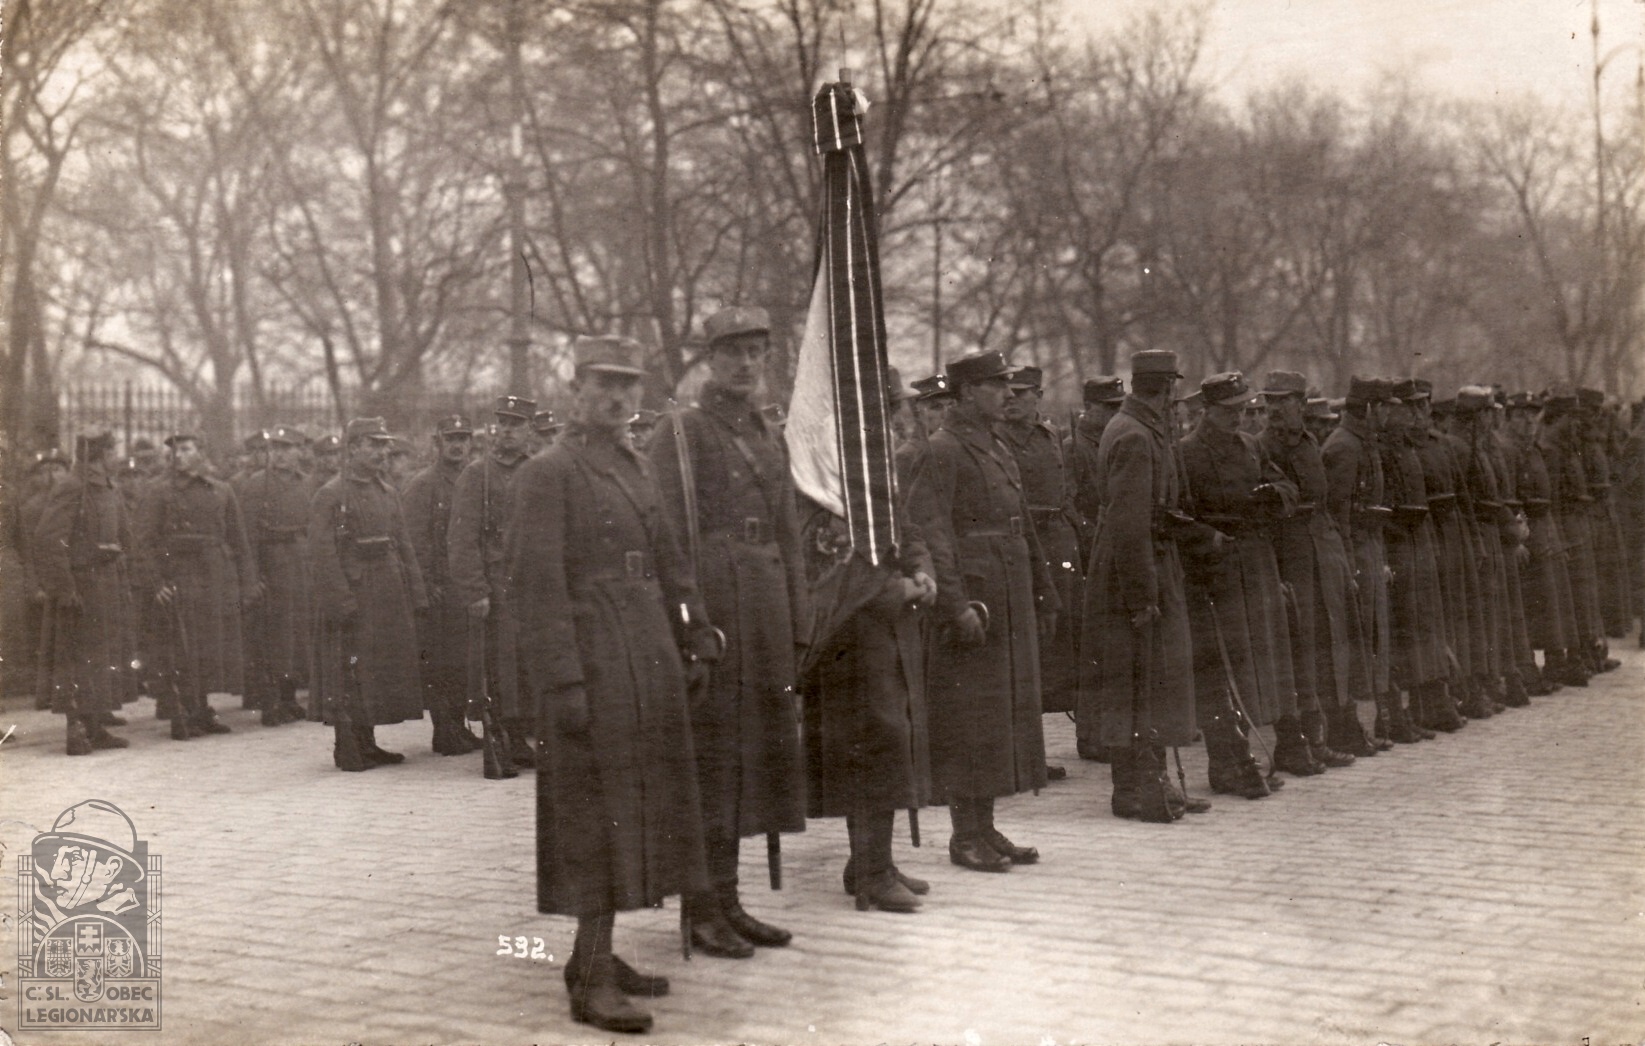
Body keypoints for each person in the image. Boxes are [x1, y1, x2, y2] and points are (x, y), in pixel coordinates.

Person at [508, 335, 721, 1035]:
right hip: (594, 657)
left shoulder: (636, 464)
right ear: (575, 389)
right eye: (603, 383)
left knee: (638, 806)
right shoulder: (548, 472)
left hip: (648, 651)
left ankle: (593, 954)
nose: (617, 397)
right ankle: (591, 976)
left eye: (628, 385)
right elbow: (537, 588)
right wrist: (563, 682)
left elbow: (671, 562)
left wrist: (694, 631)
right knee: (595, 815)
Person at [649, 305, 806, 956]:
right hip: (716, 608)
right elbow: (666, 538)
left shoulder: (768, 431)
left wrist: (797, 623)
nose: (746, 363)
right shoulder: (683, 432)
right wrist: (690, 626)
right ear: (709, 360)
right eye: (733, 352)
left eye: (756, 351)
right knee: (713, 760)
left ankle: (730, 900)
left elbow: (788, 531)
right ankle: (700, 908)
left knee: (753, 759)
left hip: (764, 607)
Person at [907, 348, 1057, 859]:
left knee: (998, 715)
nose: (1008, 394)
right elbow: (932, 532)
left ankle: (985, 826)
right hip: (976, 598)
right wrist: (955, 605)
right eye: (996, 385)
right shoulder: (943, 450)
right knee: (968, 716)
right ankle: (964, 834)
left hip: (1008, 591)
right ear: (968, 393)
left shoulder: (995, 444)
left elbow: (1023, 523)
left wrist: (1044, 591)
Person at [799, 366, 938, 914]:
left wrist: (922, 570)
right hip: (849, 628)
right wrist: (895, 589)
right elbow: (831, 556)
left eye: (893, 404)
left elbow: (907, 529)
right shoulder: (826, 471)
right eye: (885, 404)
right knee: (872, 739)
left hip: (888, 621)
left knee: (890, 737)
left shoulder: (876, 464)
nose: (894, 414)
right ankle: (871, 869)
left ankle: (874, 859)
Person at [1080, 350, 1209, 821]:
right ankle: (1134, 789)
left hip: (1143, 564)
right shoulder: (1134, 435)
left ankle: (1149, 783)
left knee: (1147, 679)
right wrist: (1142, 597)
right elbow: (1130, 524)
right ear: (1168, 387)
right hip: (1133, 572)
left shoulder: (1139, 428)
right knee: (1137, 679)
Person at [1180, 372, 1319, 780]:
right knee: (1223, 668)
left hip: (1257, 564)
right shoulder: (1186, 453)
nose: (1238, 416)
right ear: (1207, 410)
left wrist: (1276, 495)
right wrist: (1208, 539)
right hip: (1217, 570)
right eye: (1229, 410)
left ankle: (1285, 747)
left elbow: (1287, 485)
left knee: (1270, 658)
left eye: (1242, 408)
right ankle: (1227, 762)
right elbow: (1178, 515)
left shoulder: (1251, 446)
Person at [308, 417, 429, 771]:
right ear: (353, 449)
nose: (382, 451)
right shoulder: (331, 494)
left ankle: (368, 742)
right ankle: (347, 745)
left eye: (384, 444)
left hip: (387, 591)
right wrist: (341, 600)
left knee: (375, 669)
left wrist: (417, 593)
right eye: (373, 444)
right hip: (354, 591)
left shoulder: (387, 492)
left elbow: (403, 545)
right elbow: (322, 554)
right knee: (348, 669)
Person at [1258, 371, 1367, 760]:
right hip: (1291, 560)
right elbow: (1265, 519)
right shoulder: (1261, 447)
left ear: (1301, 405)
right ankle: (1299, 742)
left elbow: (1328, 507)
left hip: (1324, 557)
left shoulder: (1309, 444)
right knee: (1297, 650)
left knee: (1326, 645)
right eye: (1270, 401)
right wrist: (1275, 574)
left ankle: (1330, 735)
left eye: (1283, 400)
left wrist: (1344, 561)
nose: (1274, 408)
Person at [134, 433, 257, 739]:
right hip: (180, 575)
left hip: (215, 576)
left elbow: (238, 539)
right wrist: (155, 582)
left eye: (186, 449)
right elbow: (143, 542)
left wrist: (247, 583)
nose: (178, 455)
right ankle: (184, 712)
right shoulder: (159, 491)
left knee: (209, 645)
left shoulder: (221, 490)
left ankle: (201, 709)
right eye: (174, 450)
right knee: (182, 646)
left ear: (201, 452)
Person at [998, 365, 1081, 780]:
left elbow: (1065, 491)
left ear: (1039, 396)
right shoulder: (998, 439)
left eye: (1022, 392)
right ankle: (1021, 753)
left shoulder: (1050, 436)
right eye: (1008, 392)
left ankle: (1036, 751)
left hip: (1057, 545)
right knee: (1024, 650)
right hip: (1023, 548)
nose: (1012, 399)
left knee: (1054, 648)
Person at [449, 395, 538, 769]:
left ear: (530, 430)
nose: (508, 430)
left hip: (532, 582)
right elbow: (461, 537)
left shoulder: (538, 470)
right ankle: (501, 736)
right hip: (497, 583)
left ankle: (522, 736)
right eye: (503, 423)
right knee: (500, 666)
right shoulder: (477, 474)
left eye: (516, 424)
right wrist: (474, 589)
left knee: (528, 662)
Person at [34, 432, 137, 754]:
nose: (117, 457)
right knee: (76, 659)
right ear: (99, 455)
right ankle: (75, 730)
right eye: (112, 452)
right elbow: (48, 539)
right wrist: (64, 588)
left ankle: (95, 727)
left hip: (106, 583)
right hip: (80, 587)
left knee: (101, 658)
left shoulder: (107, 487)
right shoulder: (72, 486)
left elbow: (125, 535)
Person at [1322, 379, 1403, 747]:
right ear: (1369, 409)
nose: (1387, 414)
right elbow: (1337, 513)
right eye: (1383, 407)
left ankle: (1362, 726)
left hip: (1368, 548)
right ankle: (1347, 728)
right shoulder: (1343, 447)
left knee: (1369, 639)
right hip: (1353, 553)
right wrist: (1349, 564)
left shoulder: (1363, 443)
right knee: (1353, 642)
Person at [401, 414, 481, 755]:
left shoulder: (475, 478)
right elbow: (412, 540)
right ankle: (444, 730)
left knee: (464, 661)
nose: (457, 445)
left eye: (463, 438)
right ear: (438, 443)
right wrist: (426, 583)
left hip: (466, 584)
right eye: (451, 438)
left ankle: (458, 726)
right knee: (441, 662)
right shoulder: (424, 484)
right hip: (440, 588)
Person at [232, 425, 313, 727]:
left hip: (299, 566)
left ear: (299, 452)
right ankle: (270, 702)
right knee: (272, 637)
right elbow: (246, 537)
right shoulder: (256, 485)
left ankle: (289, 697)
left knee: (296, 635)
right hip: (272, 566)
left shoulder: (307, 484)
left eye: (287, 448)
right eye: (275, 449)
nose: (279, 455)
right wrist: (252, 578)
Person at [1066, 375, 1125, 762]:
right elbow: (1068, 502)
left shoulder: (1112, 440)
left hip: (1109, 549)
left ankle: (1108, 731)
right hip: (1088, 552)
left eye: (1118, 407)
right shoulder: (1074, 447)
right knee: (1092, 648)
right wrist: (1093, 537)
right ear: (1090, 408)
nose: (1115, 413)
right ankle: (1089, 735)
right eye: (1108, 407)